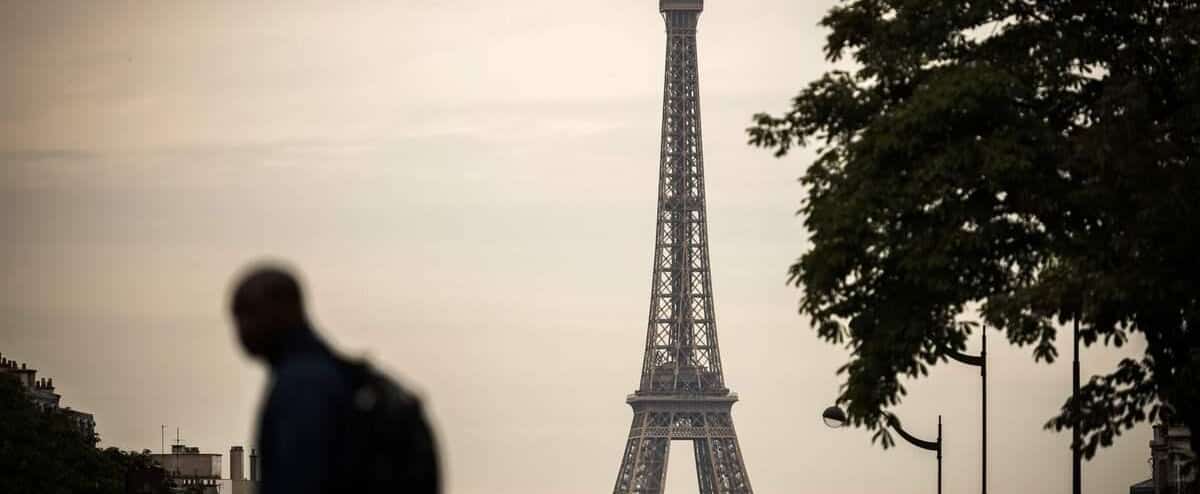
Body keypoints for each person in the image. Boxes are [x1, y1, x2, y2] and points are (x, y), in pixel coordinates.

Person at [229, 263, 439, 493]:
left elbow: (298, 479)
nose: (241, 328)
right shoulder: (338, 376)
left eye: (248, 313)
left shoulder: (302, 386)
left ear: (284, 308)